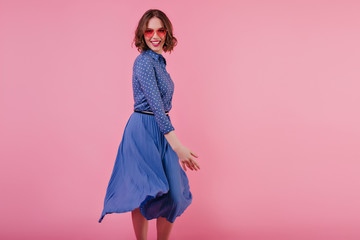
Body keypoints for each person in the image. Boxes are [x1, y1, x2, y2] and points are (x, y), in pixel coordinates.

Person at [98, 9, 200, 240]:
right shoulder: (143, 62)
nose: (155, 35)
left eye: (160, 30)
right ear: (142, 34)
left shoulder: (159, 62)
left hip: (162, 129)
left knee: (174, 195)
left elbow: (162, 109)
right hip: (142, 129)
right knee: (143, 192)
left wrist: (171, 142)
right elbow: (155, 105)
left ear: (167, 33)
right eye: (149, 30)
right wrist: (178, 146)